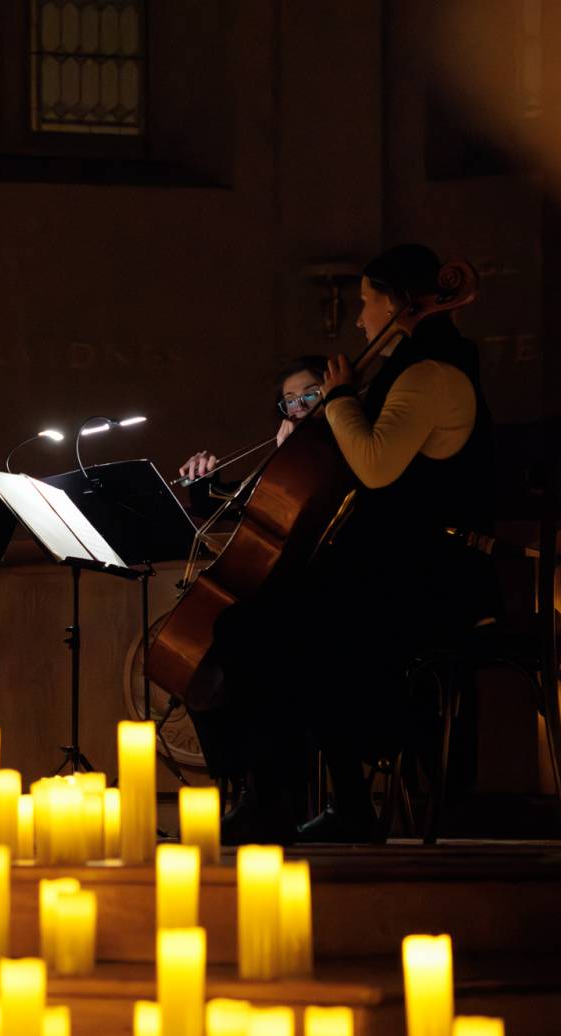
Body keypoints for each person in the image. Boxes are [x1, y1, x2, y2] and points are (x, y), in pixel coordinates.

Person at [179, 244, 499, 843]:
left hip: (434, 580)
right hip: (403, 569)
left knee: (261, 630)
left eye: (367, 302)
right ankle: (316, 801)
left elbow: (373, 467)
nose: (359, 320)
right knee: (265, 625)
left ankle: (277, 800)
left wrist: (342, 398)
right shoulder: (412, 370)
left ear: (401, 302)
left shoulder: (432, 374)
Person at [177, 355, 329, 509]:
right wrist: (204, 477)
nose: (300, 407)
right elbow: (211, 507)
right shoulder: (278, 464)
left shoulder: (348, 445)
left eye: (310, 394)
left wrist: (295, 455)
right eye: (290, 401)